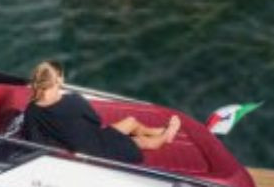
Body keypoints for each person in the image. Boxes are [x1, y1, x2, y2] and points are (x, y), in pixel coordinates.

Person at [22, 60, 180, 164]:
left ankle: (153, 130)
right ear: (59, 80)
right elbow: (96, 120)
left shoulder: (32, 110)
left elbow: (34, 140)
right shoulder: (73, 100)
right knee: (140, 142)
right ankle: (166, 136)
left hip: (85, 142)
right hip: (95, 150)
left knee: (131, 122)